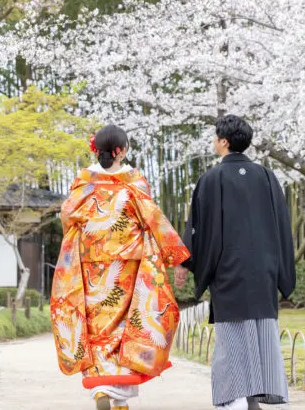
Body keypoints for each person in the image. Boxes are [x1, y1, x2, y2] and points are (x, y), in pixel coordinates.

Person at [51, 125, 190, 410]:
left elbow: (68, 215)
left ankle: (101, 390)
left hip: (90, 270)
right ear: (122, 150)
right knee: (125, 330)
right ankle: (119, 400)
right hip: (127, 268)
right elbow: (153, 218)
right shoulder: (134, 181)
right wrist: (177, 257)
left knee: (96, 331)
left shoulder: (84, 181)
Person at [175, 115, 296, 410]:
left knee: (232, 338)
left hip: (228, 271)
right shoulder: (267, 177)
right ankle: (255, 396)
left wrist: (184, 262)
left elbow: (198, 228)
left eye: (216, 137)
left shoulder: (212, 179)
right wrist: (280, 269)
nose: (214, 142)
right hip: (264, 270)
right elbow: (281, 225)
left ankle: (236, 399)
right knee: (261, 332)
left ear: (224, 142)